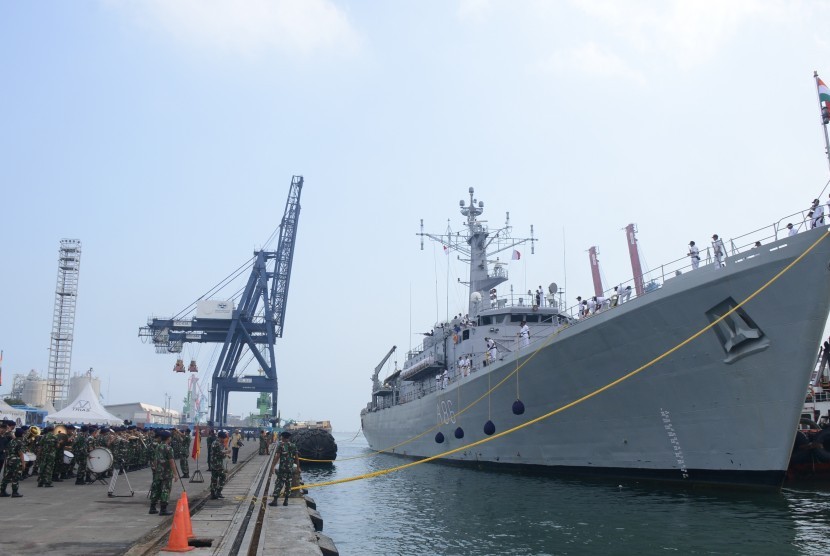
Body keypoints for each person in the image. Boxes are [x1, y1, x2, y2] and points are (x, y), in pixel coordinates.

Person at [149, 430, 178, 515]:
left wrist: (155, 468)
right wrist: (175, 474)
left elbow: (155, 459)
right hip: (166, 473)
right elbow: (171, 462)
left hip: (158, 472)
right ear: (169, 438)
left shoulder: (158, 446)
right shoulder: (169, 448)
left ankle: (152, 507)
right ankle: (163, 509)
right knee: (165, 489)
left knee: (156, 489)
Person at [270, 431, 300, 507]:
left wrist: (273, 466)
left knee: (279, 483)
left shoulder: (281, 445)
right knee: (288, 484)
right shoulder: (293, 445)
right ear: (288, 438)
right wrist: (298, 468)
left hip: (282, 468)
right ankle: (286, 501)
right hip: (290, 468)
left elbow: (277, 457)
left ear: (283, 437)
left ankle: (275, 501)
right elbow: (297, 458)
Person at [209, 431, 228, 500]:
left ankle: (213, 493)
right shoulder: (217, 443)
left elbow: (217, 453)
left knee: (214, 478)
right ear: (220, 437)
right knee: (223, 476)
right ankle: (218, 491)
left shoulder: (215, 442)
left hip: (214, 464)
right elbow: (220, 453)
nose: (224, 440)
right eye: (223, 438)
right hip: (218, 464)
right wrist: (226, 453)